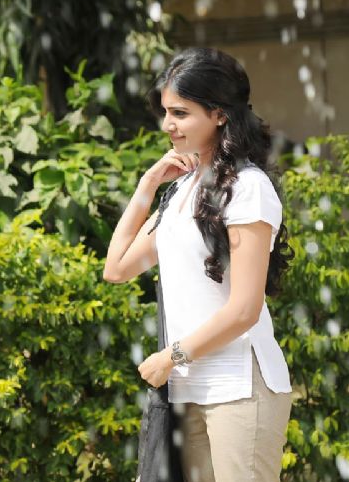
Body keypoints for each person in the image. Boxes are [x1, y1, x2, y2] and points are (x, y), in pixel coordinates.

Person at [103, 47, 292, 482]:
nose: (167, 125)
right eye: (166, 112)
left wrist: (171, 357)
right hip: (187, 390)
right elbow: (117, 269)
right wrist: (147, 185)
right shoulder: (179, 191)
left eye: (181, 113)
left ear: (220, 114)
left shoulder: (247, 188)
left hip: (239, 388)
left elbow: (244, 309)